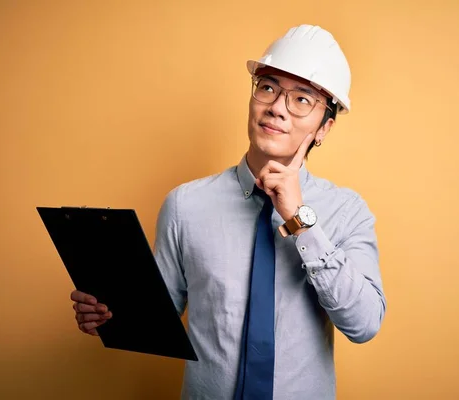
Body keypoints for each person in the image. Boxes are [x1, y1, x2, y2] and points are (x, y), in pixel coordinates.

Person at [70, 24, 386, 400]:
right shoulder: (185, 205)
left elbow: (363, 324)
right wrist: (109, 316)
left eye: (302, 99)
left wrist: (300, 219)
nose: (277, 108)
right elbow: (157, 318)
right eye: (267, 87)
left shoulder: (347, 211)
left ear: (324, 128)